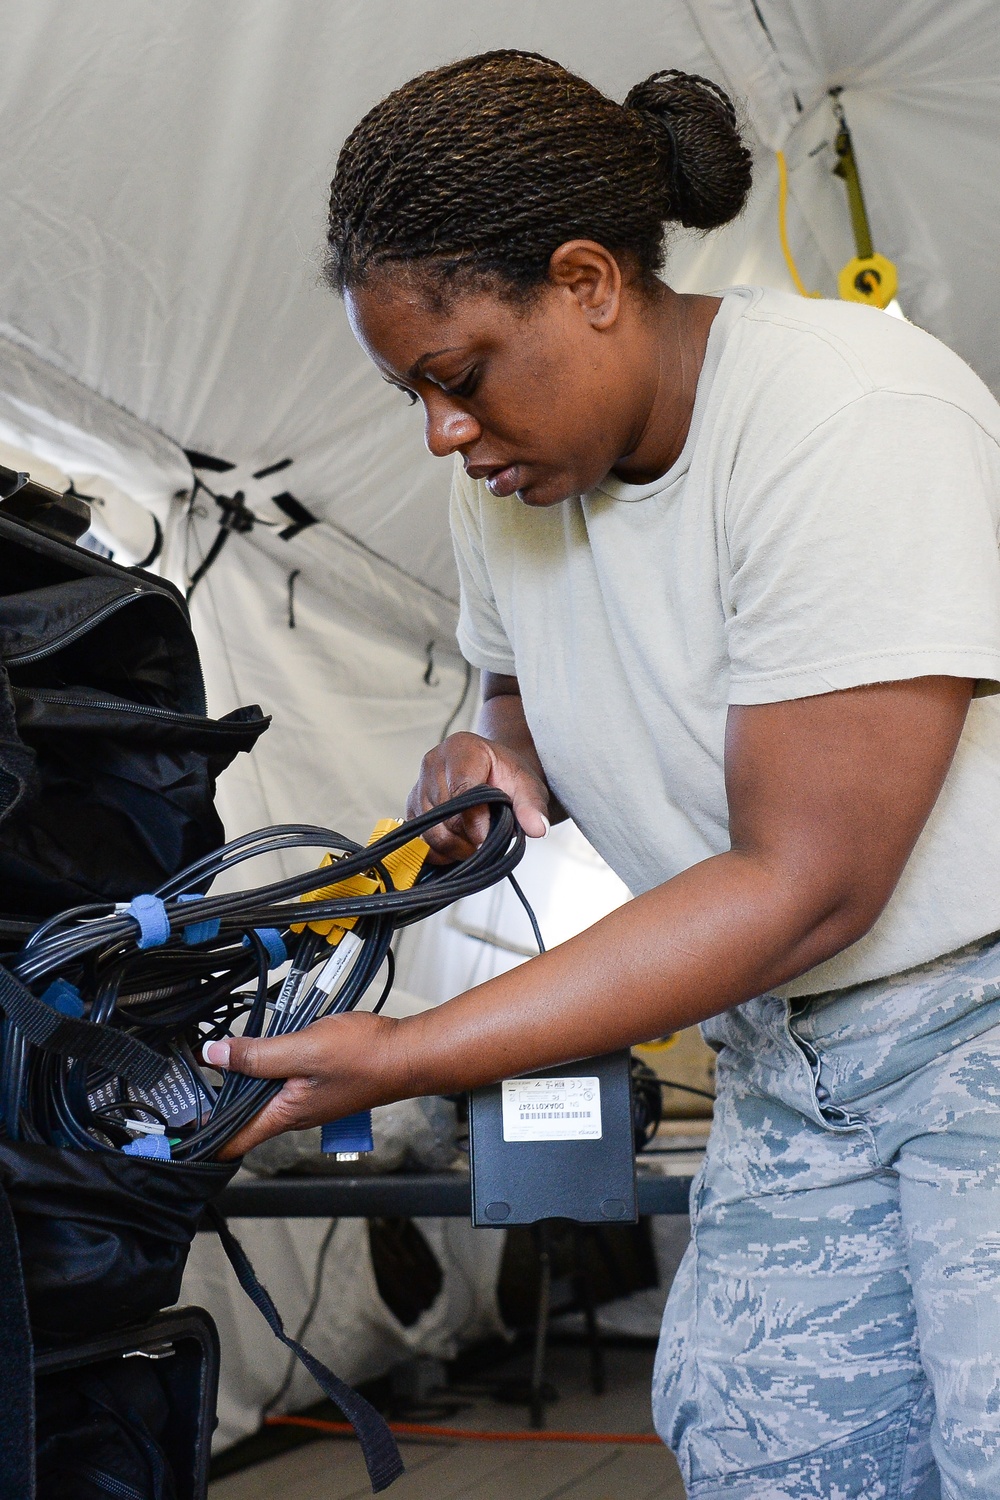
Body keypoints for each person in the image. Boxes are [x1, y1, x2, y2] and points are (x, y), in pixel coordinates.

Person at [203, 51, 1000, 1499]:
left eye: (457, 378)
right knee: (767, 1450)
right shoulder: (510, 489)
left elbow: (806, 883)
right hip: (786, 1055)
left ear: (587, 280)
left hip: (973, 1034)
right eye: (410, 397)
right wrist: (489, 761)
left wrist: (414, 1053)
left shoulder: (846, 417)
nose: (444, 432)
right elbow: (520, 700)